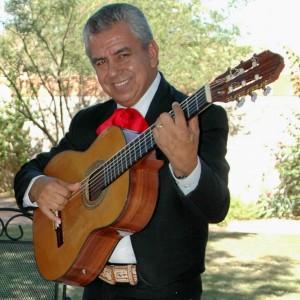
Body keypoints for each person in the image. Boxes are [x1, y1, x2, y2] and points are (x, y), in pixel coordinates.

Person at [14, 3, 230, 299]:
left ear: (151, 53)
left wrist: (187, 167)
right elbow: (31, 171)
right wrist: (40, 188)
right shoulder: (88, 122)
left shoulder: (200, 117)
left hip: (166, 292)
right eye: (100, 62)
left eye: (123, 55)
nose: (113, 72)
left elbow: (216, 207)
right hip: (95, 287)